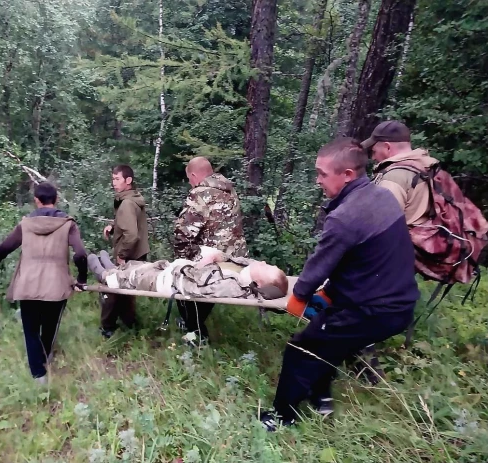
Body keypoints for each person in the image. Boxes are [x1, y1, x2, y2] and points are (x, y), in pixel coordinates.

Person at [259, 138, 420, 431]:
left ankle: (282, 419)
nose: (318, 180)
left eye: (322, 173)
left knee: (302, 350)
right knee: (327, 341)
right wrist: (328, 296)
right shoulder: (381, 196)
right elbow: (363, 262)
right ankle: (321, 400)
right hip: (401, 303)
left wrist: (299, 296)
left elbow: (319, 266)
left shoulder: (346, 216)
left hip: (374, 309)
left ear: (347, 174)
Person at [0, 182, 88, 384]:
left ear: (37, 201)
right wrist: (82, 279)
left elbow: (5, 247)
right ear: (56, 200)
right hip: (57, 285)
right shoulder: (68, 224)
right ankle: (45, 358)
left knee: (31, 330)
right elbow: (81, 254)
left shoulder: (26, 224)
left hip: (27, 284)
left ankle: (38, 376)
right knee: (49, 327)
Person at [173, 157, 248, 345]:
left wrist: (182, 260)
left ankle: (195, 332)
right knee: (206, 290)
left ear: (193, 175)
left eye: (189, 179)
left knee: (180, 280)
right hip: (236, 259)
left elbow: (183, 233)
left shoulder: (200, 193)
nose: (190, 184)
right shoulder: (230, 189)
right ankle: (193, 325)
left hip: (213, 260)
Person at [87, 247, 288, 300]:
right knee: (136, 265)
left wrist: (204, 262)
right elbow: (235, 260)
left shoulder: (234, 286)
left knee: (135, 276)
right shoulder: (247, 269)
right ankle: (115, 267)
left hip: (173, 280)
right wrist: (219, 256)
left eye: (266, 267)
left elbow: (199, 286)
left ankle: (106, 275)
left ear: (258, 283)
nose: (262, 262)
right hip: (176, 269)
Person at [99, 165, 150, 338]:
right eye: (113, 179)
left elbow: (132, 235)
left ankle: (108, 328)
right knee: (126, 293)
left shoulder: (127, 203)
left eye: (117, 179)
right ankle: (130, 324)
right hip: (138, 252)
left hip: (130, 254)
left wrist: (122, 255)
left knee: (113, 288)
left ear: (128, 180)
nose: (114, 183)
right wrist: (113, 226)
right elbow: (128, 221)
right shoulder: (132, 198)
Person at [361, 120, 440, 226]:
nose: (373, 157)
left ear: (387, 147)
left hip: (405, 241)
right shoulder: (427, 167)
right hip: (426, 238)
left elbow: (382, 226)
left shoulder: (393, 178)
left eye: (374, 152)